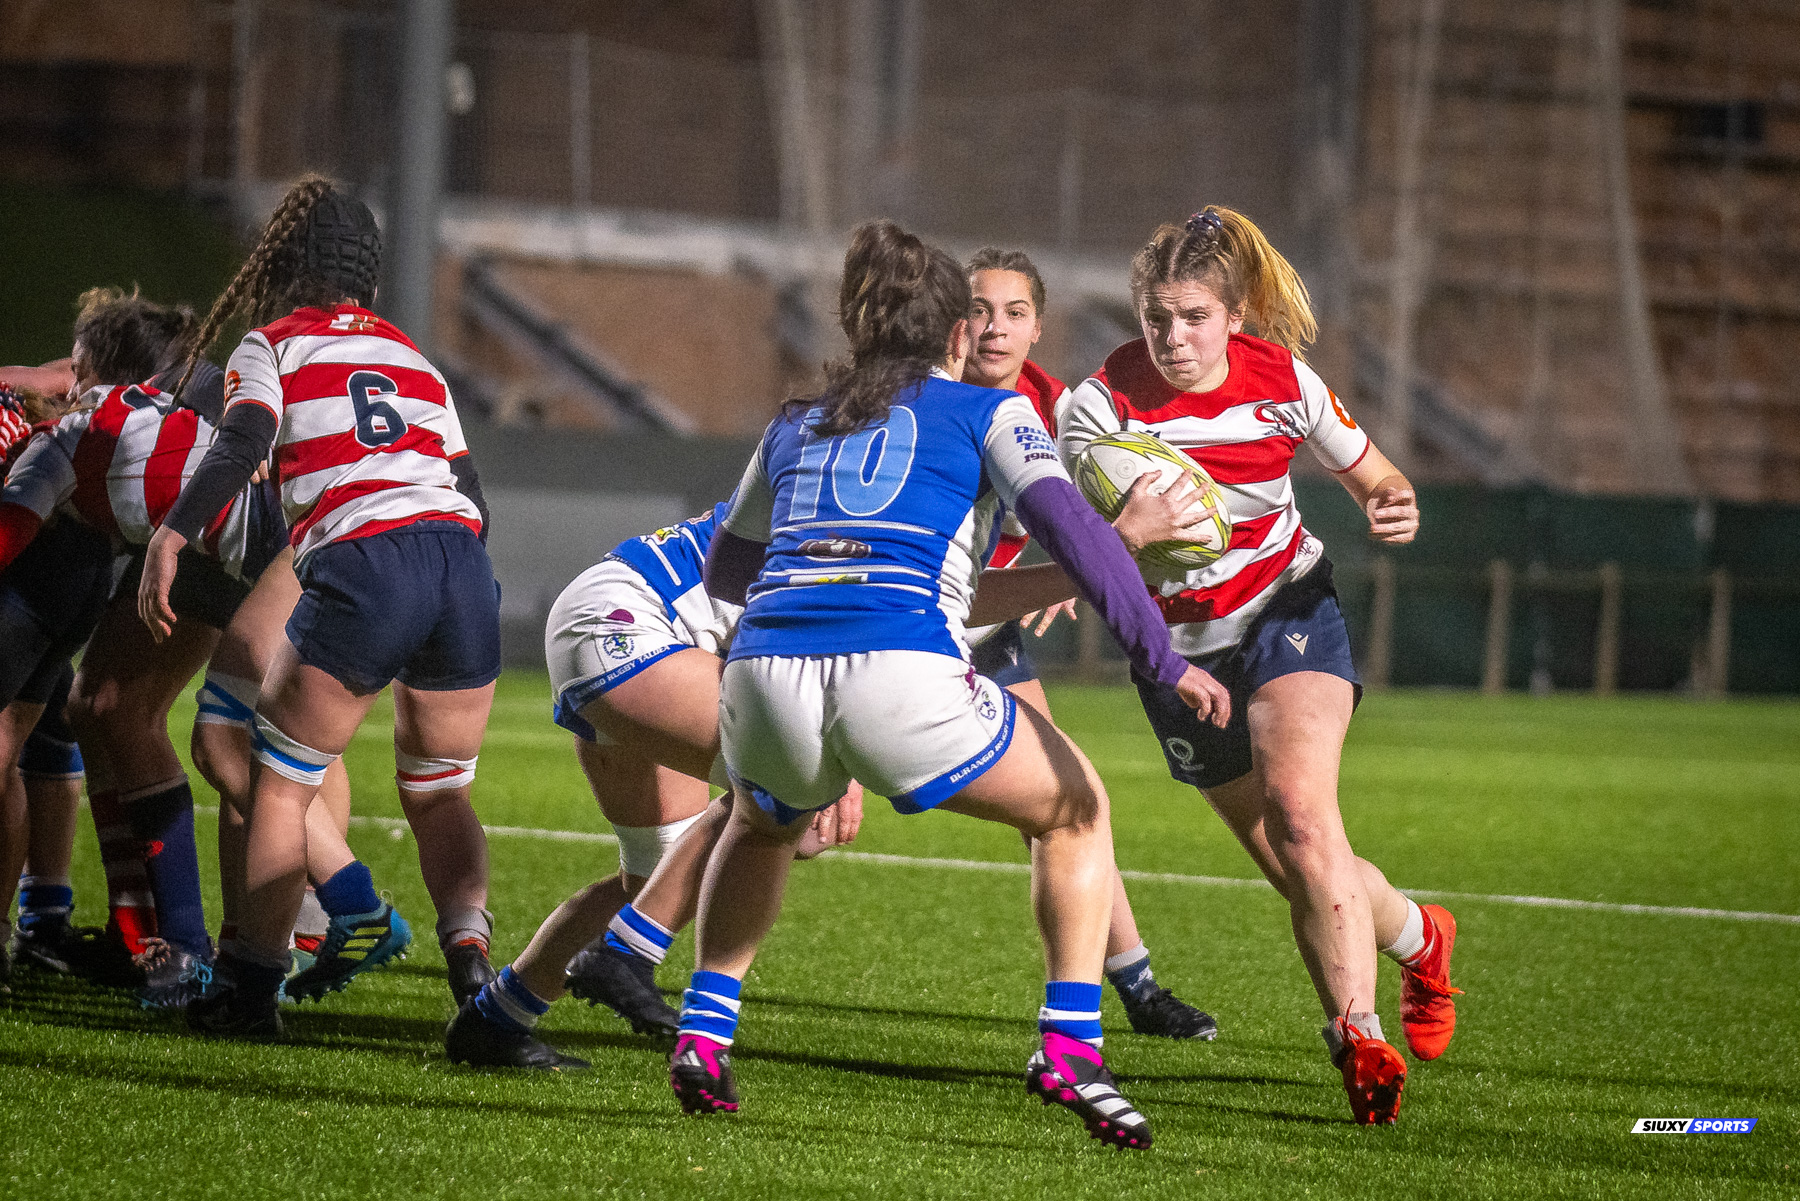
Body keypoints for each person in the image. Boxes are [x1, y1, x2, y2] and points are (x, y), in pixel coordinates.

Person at [662, 219, 1226, 1149]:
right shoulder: (989, 412)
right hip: (900, 670)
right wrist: (1162, 659)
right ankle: (1072, 1050)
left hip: (762, 670)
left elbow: (727, 570)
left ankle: (703, 1033)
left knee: (761, 823)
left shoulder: (793, 421)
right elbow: (1082, 539)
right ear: (957, 334)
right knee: (1077, 810)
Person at [1055, 207, 1460, 1125]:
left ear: (1235, 316)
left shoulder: (1284, 381)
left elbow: (1377, 476)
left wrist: (1394, 500)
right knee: (1298, 867)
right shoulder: (1099, 408)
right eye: (1158, 317)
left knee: (1305, 819)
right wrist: (1121, 535)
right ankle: (1419, 936)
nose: (1174, 337)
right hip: (1175, 653)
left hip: (1287, 608)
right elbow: (1084, 540)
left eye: (1195, 317)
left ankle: (1358, 1037)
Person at [141, 174, 500, 1037]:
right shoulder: (414, 357)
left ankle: (251, 989)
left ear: (281, 266)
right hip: (461, 562)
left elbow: (244, 440)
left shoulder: (271, 344)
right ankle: (476, 977)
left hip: (367, 559)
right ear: (368, 275)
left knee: (280, 777)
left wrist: (172, 534)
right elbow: (473, 497)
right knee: (441, 791)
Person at [443, 505, 862, 1068]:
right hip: (633, 626)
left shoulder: (859, 490)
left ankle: (495, 1018)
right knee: (784, 793)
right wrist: (834, 759)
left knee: (653, 879)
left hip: (615, 615)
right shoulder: (904, 520)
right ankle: (631, 962)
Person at [961, 246, 1218, 1040]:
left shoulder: (1059, 411)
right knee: (781, 804)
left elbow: (1090, 511)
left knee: (1073, 798)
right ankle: (640, 939)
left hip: (985, 626)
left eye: (1014, 313)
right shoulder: (925, 399)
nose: (994, 328)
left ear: (1038, 327)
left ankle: (1138, 988)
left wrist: (1076, 566)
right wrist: (1086, 558)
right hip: (904, 626)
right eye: (978, 310)